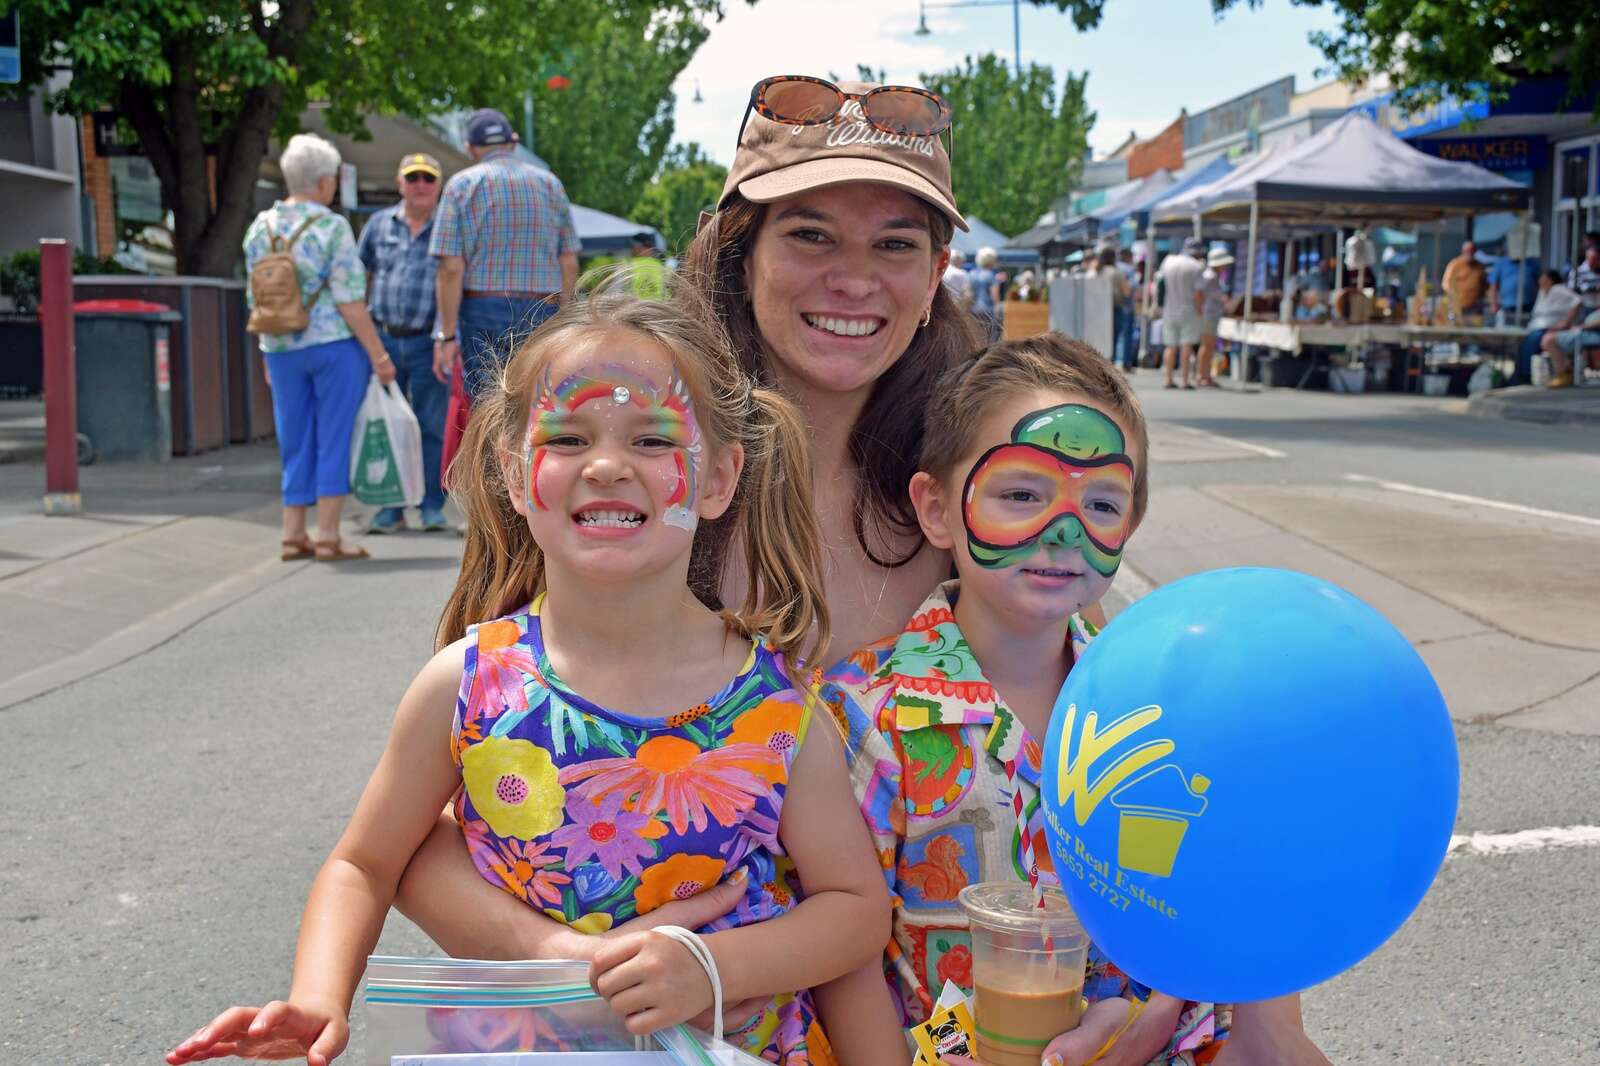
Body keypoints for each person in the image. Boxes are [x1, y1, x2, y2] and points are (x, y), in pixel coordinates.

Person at [384, 77, 1319, 1056]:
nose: (854, 278)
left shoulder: (993, 486)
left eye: (894, 243)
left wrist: (1141, 1000)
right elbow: (437, 820)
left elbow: (1112, 787)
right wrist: (573, 961)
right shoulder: (628, 492)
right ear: (738, 251)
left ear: (936, 272)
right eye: (811, 235)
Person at [166, 289, 891, 1066]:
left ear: (717, 479)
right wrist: (317, 1001)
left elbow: (854, 913)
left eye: (652, 441)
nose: (608, 466)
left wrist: (712, 969)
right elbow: (364, 863)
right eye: (570, 438)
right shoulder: (465, 686)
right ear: (516, 475)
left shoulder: (776, 711)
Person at [816, 334, 1329, 1066]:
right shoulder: (864, 720)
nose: (1064, 530)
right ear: (935, 509)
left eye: (1101, 501)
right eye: (1021, 492)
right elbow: (852, 957)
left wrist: (1188, 1021)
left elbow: (1232, 886)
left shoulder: (1166, 708)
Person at [244, 133, 395, 564]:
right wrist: (378, 355)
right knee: (334, 436)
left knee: (294, 437)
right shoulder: (331, 227)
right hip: (332, 347)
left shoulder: (260, 227)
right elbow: (350, 300)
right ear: (325, 181)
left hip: (279, 346)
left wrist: (265, 350)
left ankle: (292, 533)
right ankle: (328, 534)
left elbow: (256, 296)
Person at [430, 107, 581, 400]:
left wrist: (446, 336)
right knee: (541, 401)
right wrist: (567, 317)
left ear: (471, 148)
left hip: (484, 308)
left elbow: (450, 269)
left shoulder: (461, 186)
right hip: (544, 308)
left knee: (489, 405)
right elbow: (569, 261)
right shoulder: (550, 184)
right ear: (512, 142)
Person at [357, 152, 451, 534]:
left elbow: (456, 283)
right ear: (399, 184)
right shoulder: (378, 226)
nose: (420, 185)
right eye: (412, 178)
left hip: (430, 342)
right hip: (384, 339)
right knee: (386, 425)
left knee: (431, 427)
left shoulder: (449, 227)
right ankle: (390, 507)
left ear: (438, 186)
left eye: (428, 178)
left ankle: (431, 506)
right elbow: (359, 278)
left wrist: (448, 337)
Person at [1540, 233, 1600, 389]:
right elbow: (1578, 303)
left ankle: (1566, 374)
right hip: (1586, 323)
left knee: (1548, 340)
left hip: (1591, 329)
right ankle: (1566, 372)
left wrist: (1580, 327)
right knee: (1547, 337)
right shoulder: (1579, 273)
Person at [1507, 269, 1578, 385]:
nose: (1539, 280)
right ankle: (1520, 374)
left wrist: (1565, 323)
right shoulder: (1542, 292)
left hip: (1548, 329)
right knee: (1522, 345)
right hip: (1536, 328)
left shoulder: (1558, 289)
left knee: (1530, 345)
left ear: (1550, 280)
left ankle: (1523, 375)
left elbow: (1577, 302)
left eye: (1542, 278)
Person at [1158, 237, 1205, 389]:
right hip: (1188, 310)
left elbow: (1160, 283)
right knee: (1186, 345)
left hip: (1169, 309)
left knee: (1170, 346)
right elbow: (1198, 294)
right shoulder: (1196, 266)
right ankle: (1185, 380)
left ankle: (1168, 378)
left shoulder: (1168, 261)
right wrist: (1200, 310)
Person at [1195, 246, 1232, 388]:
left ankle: (1205, 375)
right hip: (1208, 315)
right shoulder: (1210, 276)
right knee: (1207, 346)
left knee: (1208, 346)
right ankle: (1202, 375)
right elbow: (1200, 294)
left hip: (1211, 314)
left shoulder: (1213, 276)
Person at [1486, 245, 1540, 325]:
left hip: (1529, 304)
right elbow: (1493, 286)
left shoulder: (1531, 263)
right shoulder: (1501, 263)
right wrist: (1493, 304)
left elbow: (1539, 283)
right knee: (1508, 329)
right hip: (1507, 306)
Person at [1440, 239, 1486, 316]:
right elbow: (1446, 283)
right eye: (1467, 251)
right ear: (1463, 251)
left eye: (1472, 251)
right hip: (1457, 306)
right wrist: (1453, 296)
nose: (1469, 253)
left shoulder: (1479, 266)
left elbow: (1484, 285)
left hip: (1474, 307)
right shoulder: (1455, 264)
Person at [970, 247, 1001, 342]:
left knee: (976, 335)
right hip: (988, 310)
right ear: (990, 261)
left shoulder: (972, 274)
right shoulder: (991, 275)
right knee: (990, 337)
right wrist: (998, 306)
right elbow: (994, 296)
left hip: (973, 309)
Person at [628, 231, 668, 300]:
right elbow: (666, 293)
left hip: (633, 309)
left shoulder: (628, 266)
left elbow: (616, 292)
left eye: (632, 245)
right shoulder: (660, 267)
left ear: (640, 246)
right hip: (657, 309)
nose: (631, 248)